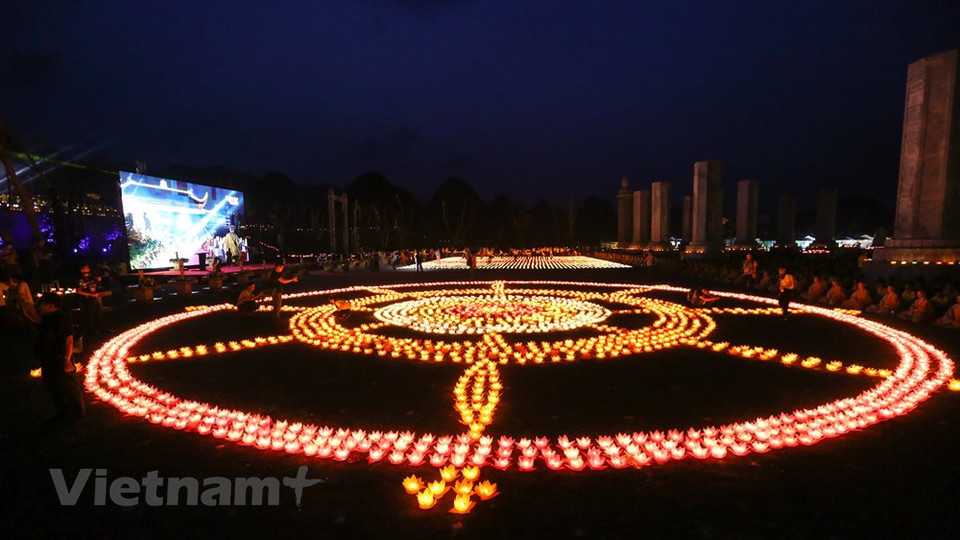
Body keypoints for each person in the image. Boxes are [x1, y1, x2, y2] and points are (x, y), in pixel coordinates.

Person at [35, 292, 85, 426]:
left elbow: (68, 339)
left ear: (51, 305)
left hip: (59, 358)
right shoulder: (46, 318)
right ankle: (63, 413)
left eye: (41, 303)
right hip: (48, 357)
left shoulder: (62, 318)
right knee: (53, 386)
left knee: (67, 386)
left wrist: (66, 359)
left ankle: (76, 416)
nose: (38, 306)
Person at [76, 264, 106, 336]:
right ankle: (91, 331)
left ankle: (102, 328)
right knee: (90, 315)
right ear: (82, 270)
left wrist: (98, 283)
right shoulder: (80, 279)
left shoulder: (92, 277)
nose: (88, 269)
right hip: (87, 299)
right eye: (86, 268)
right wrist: (89, 295)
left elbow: (97, 286)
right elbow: (78, 291)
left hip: (94, 297)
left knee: (98, 313)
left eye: (88, 268)